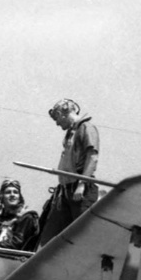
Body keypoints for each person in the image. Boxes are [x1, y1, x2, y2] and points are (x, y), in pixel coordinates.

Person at [37, 98, 100, 245]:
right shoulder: (71, 132)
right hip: (65, 191)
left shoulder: (86, 128)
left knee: (82, 237)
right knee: (49, 238)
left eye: (57, 118)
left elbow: (93, 156)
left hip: (80, 190)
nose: (57, 123)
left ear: (63, 113)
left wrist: (82, 184)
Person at [0, 178, 39, 251]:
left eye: (15, 192)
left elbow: (16, 244)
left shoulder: (26, 217)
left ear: (19, 197)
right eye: (8, 192)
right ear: (1, 197)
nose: (12, 195)